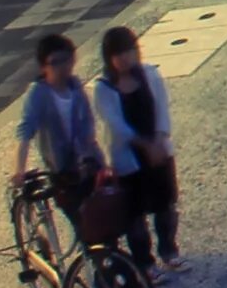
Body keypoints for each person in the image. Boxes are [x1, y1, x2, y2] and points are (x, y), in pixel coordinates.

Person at [91, 26, 180, 272]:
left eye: (129, 50)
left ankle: (169, 250)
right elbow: (116, 125)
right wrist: (144, 145)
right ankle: (144, 262)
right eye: (118, 53)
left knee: (165, 206)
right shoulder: (104, 88)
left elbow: (162, 108)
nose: (125, 57)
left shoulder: (150, 74)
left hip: (159, 151)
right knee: (135, 215)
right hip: (129, 159)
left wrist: (160, 140)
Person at [10, 32, 103, 241]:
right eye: (55, 62)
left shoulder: (75, 86)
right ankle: (93, 270)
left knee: (105, 220)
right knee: (86, 229)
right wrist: (19, 170)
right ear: (44, 67)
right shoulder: (38, 94)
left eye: (67, 59)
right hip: (63, 174)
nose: (63, 67)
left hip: (89, 166)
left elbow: (88, 127)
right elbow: (25, 132)